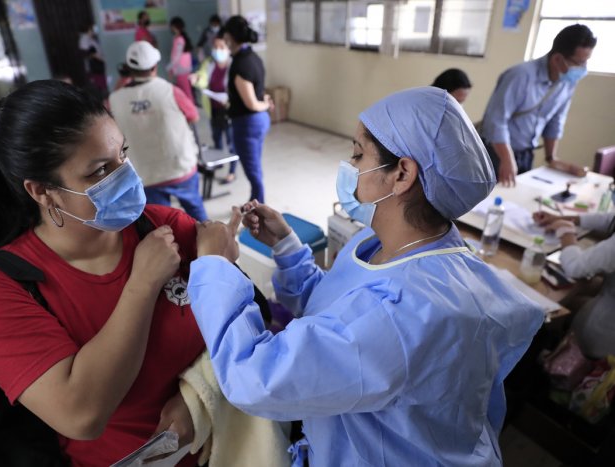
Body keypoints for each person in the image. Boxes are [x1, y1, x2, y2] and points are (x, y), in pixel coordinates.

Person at [186, 87, 545, 466]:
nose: (350, 165)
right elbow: (338, 316)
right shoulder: (403, 246)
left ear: (402, 174)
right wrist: (287, 247)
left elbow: (255, 376)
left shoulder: (404, 314)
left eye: (358, 154)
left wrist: (215, 266)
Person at [0, 80, 205, 466]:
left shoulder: (163, 227)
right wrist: (142, 285)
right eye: (100, 170)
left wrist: (201, 397)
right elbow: (82, 414)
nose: (126, 177)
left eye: (123, 154)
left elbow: (253, 325)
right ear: (42, 191)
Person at [481, 24, 597, 187]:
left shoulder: (567, 82)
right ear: (557, 58)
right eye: (579, 63)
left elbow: (555, 121)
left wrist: (552, 158)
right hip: (495, 152)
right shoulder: (520, 76)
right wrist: (507, 159)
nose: (583, 69)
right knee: (488, 204)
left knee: (517, 201)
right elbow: (496, 121)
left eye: (586, 62)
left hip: (526, 154)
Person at [109, 42, 207, 222]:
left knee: (162, 222)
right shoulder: (170, 91)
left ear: (128, 69)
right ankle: (209, 244)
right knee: (196, 211)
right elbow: (193, 116)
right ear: (155, 66)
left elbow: (109, 124)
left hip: (144, 173)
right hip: (179, 167)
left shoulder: (114, 99)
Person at [533, 207, 615, 359]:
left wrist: (566, 231)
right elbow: (611, 219)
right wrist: (568, 218)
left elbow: (575, 267)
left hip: (604, 336)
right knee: (578, 292)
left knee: (555, 306)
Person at [222, 15, 271, 203]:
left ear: (229, 37)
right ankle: (254, 200)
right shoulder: (253, 56)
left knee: (253, 172)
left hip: (247, 123)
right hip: (258, 122)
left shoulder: (241, 63)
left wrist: (265, 104)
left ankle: (259, 209)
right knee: (255, 167)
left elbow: (251, 103)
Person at [191, 34, 236, 183]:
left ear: (228, 48)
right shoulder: (209, 63)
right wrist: (197, 78)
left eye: (221, 47)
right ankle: (219, 162)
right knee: (216, 138)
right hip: (214, 108)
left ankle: (232, 171)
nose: (218, 50)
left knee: (231, 141)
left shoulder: (233, 65)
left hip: (229, 109)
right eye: (215, 47)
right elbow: (202, 77)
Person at [167, 17, 195, 103]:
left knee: (186, 92)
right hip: (180, 69)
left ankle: (191, 110)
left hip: (182, 69)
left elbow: (177, 57)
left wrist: (169, 67)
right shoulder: (177, 38)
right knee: (183, 91)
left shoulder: (180, 39)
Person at [78, 23, 108, 99]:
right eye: (93, 28)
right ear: (89, 29)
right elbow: (88, 52)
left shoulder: (91, 39)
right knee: (98, 86)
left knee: (102, 84)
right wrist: (100, 58)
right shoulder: (84, 39)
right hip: (94, 67)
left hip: (98, 66)